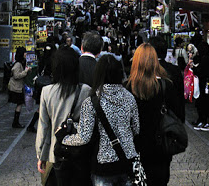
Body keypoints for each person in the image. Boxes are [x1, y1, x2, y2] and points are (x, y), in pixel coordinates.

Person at [63, 54, 140, 186]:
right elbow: (136, 128)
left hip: (103, 165)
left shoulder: (91, 102)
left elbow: (84, 137)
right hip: (127, 161)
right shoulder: (130, 98)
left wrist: (63, 138)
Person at [126, 43, 180, 186]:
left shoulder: (128, 87)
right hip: (160, 149)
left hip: (135, 149)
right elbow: (178, 116)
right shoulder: (166, 86)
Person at [36, 47, 91, 186]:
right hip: (79, 154)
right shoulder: (86, 90)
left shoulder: (47, 92)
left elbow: (43, 127)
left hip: (55, 155)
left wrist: (41, 155)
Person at [149, 35, 185, 122]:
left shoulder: (146, 70)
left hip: (151, 119)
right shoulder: (175, 70)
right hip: (171, 120)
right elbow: (180, 97)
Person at [192, 42, 209, 131]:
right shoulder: (206, 58)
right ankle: (204, 120)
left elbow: (201, 71)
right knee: (204, 102)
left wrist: (194, 69)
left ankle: (208, 122)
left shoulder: (205, 60)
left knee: (206, 102)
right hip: (204, 85)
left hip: (205, 85)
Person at [8, 46, 29, 129]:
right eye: (24, 52)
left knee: (19, 104)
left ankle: (16, 122)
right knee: (19, 103)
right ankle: (15, 122)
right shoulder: (18, 64)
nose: (26, 54)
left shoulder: (21, 63)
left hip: (18, 87)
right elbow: (16, 76)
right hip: (16, 88)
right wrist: (25, 72)